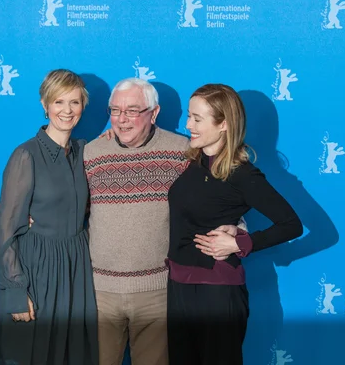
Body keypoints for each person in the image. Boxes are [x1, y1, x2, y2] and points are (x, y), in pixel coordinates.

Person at [83, 78, 246, 365]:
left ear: (154, 113)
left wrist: (236, 231)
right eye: (115, 110)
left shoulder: (185, 152)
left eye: (132, 110)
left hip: (158, 292)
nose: (122, 120)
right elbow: (70, 205)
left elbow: (219, 199)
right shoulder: (91, 153)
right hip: (100, 293)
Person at [166, 83, 304, 365]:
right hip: (179, 287)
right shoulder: (196, 162)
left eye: (196, 119)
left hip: (217, 293)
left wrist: (241, 242)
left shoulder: (243, 174)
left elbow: (292, 224)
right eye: (189, 116)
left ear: (224, 125)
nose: (187, 124)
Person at [0, 69, 98, 365]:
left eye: (74, 102)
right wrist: (15, 291)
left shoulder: (85, 152)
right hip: (36, 270)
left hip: (75, 270)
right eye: (59, 102)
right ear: (44, 105)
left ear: (83, 106)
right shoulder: (26, 155)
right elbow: (7, 229)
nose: (67, 110)